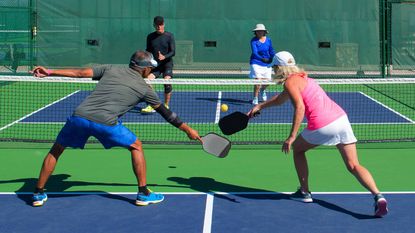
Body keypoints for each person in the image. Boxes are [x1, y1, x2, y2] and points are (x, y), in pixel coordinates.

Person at [30, 50, 201, 207]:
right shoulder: (145, 89)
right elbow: (167, 113)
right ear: (143, 69)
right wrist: (188, 130)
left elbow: (80, 73)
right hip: (105, 122)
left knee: (57, 149)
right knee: (136, 146)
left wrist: (50, 72)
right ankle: (143, 193)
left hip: (79, 117)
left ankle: (38, 193)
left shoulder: (111, 68)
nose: (150, 71)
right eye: (150, 67)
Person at [247, 51, 388, 217]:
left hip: (323, 124)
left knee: (298, 149)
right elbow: (280, 99)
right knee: (353, 165)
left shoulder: (290, 83)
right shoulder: (303, 78)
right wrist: (260, 106)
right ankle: (378, 196)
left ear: (279, 67)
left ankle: (305, 192)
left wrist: (291, 137)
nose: (273, 70)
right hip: (341, 119)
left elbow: (300, 108)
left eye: (275, 67)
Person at [141, 16, 176, 113]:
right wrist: (147, 60)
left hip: (167, 64)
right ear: (154, 25)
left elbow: (173, 52)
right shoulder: (150, 37)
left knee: (167, 82)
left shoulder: (169, 36)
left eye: (160, 25)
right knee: (147, 81)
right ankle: (153, 104)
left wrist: (164, 56)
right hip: (156, 66)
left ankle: (166, 105)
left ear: (164, 24)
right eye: (157, 25)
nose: (159, 27)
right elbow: (148, 51)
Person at [249, 23, 276, 105]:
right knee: (258, 81)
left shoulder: (268, 40)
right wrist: (262, 59)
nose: (259, 32)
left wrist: (273, 57)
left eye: (261, 31)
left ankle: (263, 90)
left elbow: (271, 50)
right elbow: (254, 52)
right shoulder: (253, 41)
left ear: (264, 32)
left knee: (267, 82)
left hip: (267, 63)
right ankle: (255, 98)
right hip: (256, 62)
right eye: (258, 31)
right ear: (256, 32)